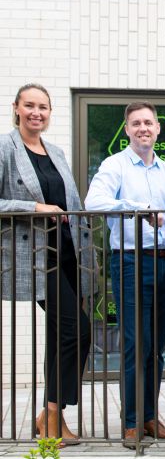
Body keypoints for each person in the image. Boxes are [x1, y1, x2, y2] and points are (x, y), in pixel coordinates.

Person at [84, 101, 165, 448]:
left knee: (156, 347)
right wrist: (137, 210)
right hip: (129, 261)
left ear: (158, 129)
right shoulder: (114, 166)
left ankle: (149, 417)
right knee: (133, 344)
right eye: (136, 123)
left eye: (149, 123)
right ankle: (130, 423)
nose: (143, 128)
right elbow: (93, 202)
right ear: (127, 130)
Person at [0, 84, 93, 446]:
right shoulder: (6, 148)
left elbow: (68, 199)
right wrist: (36, 209)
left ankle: (52, 416)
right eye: (30, 106)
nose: (36, 112)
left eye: (43, 107)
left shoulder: (54, 151)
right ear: (17, 108)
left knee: (63, 335)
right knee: (77, 330)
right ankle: (51, 414)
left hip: (68, 253)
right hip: (36, 259)